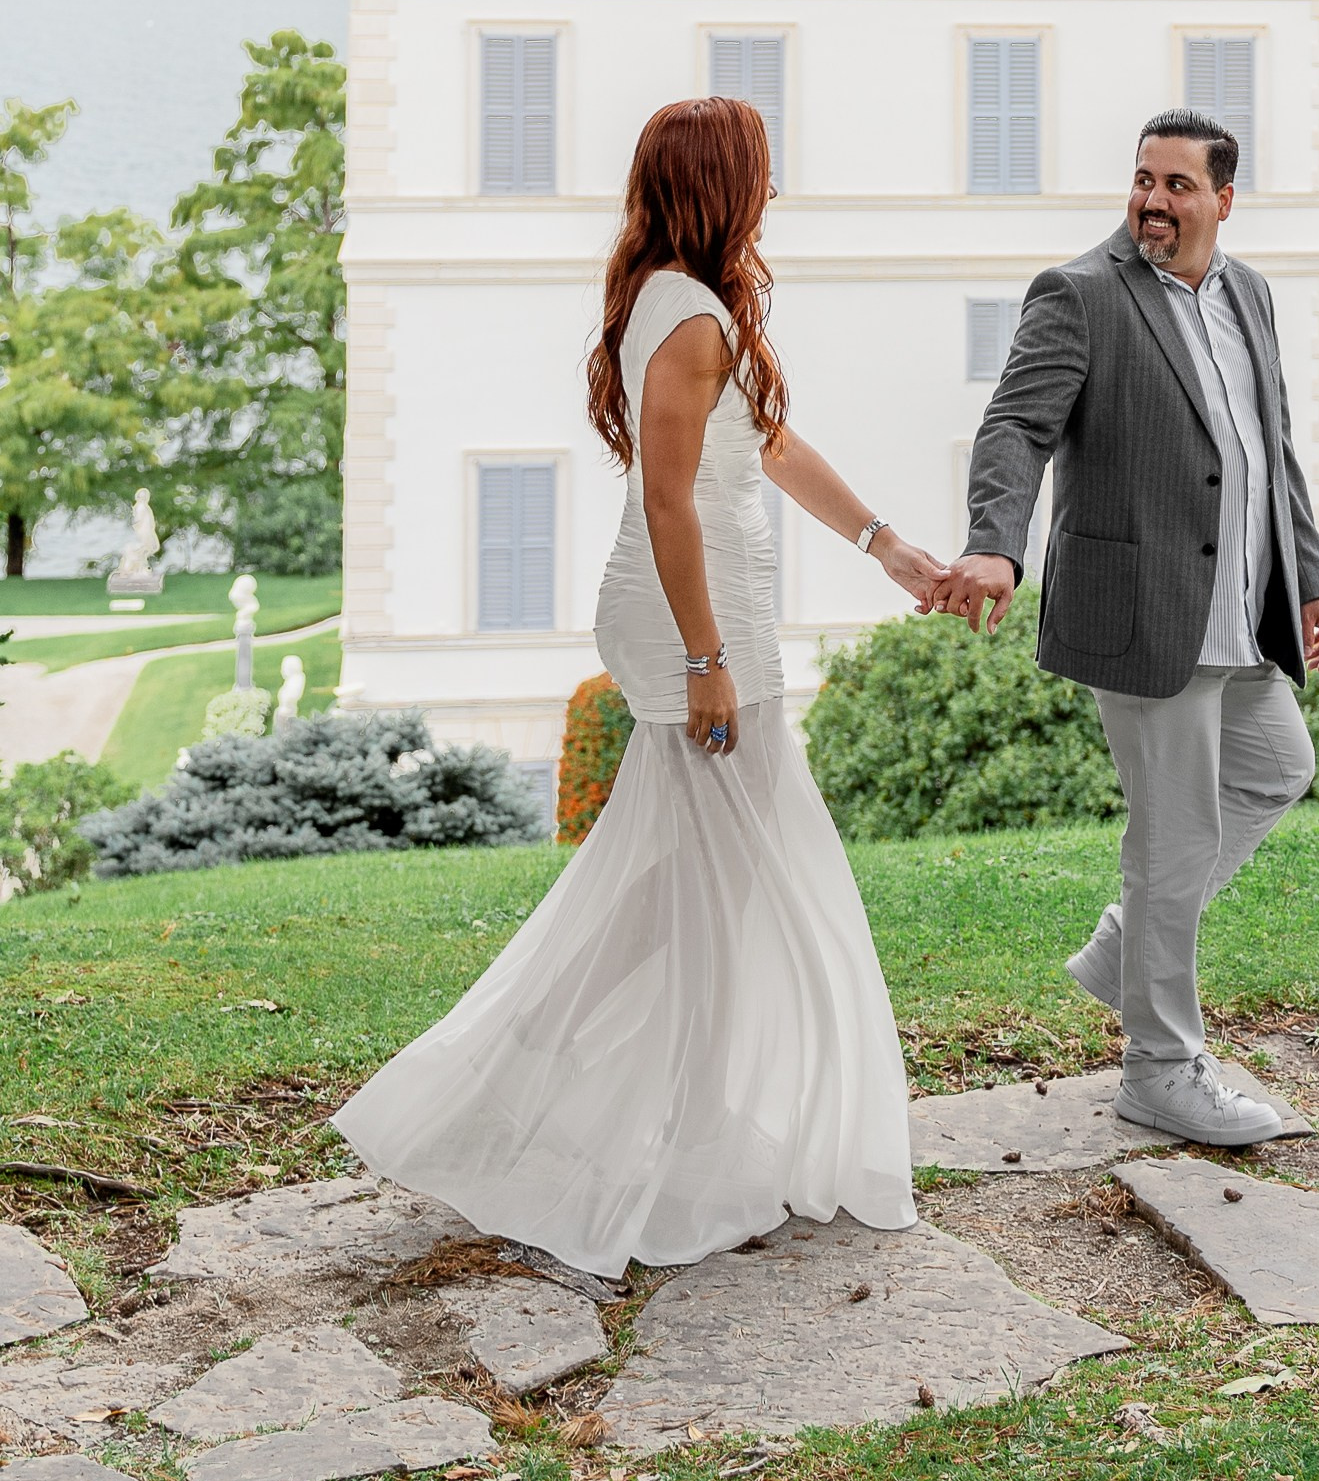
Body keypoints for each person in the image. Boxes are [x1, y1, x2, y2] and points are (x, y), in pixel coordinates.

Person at [335, 93, 941, 1272]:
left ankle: (529, 1069)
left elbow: (769, 446)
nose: (772, 190)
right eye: (758, 172)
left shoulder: (699, 306)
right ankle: (661, 1127)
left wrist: (889, 548)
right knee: (742, 887)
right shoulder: (691, 317)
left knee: (686, 876)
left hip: (720, 617)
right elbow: (667, 501)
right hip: (690, 626)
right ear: (721, 184)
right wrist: (706, 662)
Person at [933, 109, 1319, 1145]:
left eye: (1176, 186)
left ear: (1221, 200)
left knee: (1274, 768)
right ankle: (1159, 1068)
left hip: (1243, 605)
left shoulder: (1247, 292)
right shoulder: (1078, 295)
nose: (1153, 202)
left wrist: (1311, 575)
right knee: (1175, 840)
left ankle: (1125, 956)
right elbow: (1016, 426)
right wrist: (995, 542)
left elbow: (1270, 445)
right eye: (1142, 181)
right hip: (1144, 611)